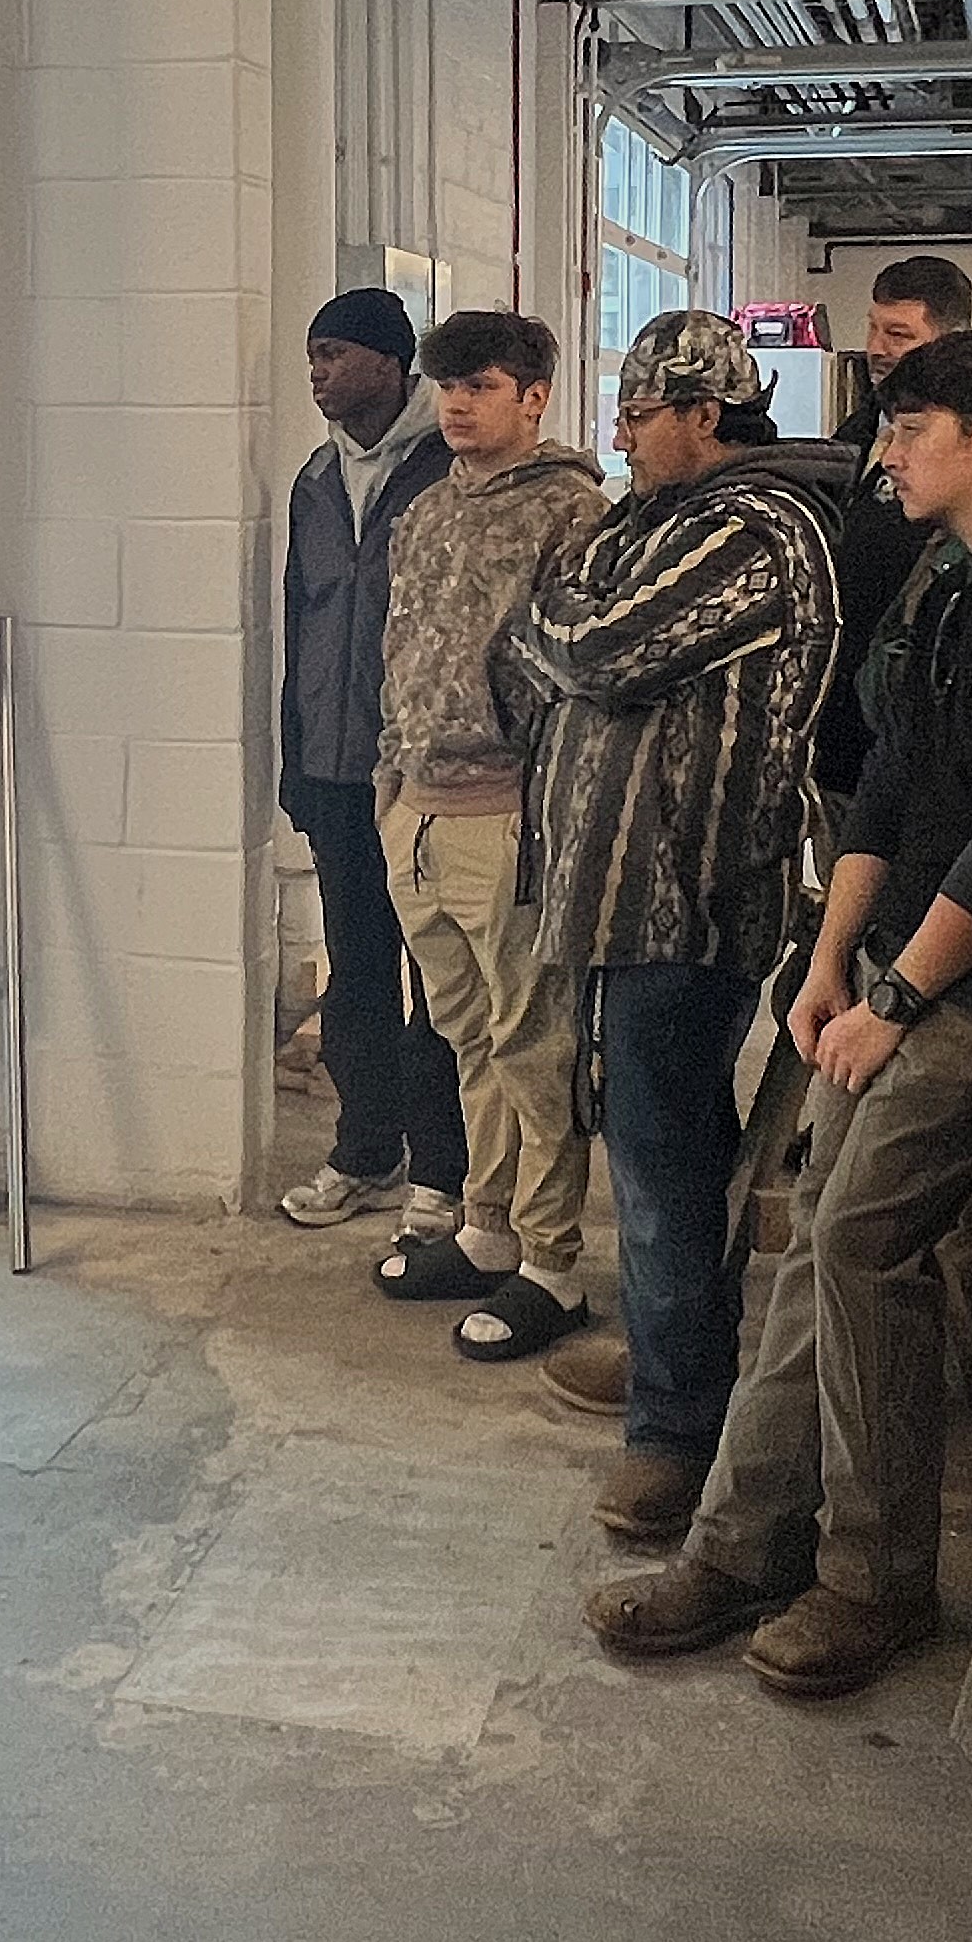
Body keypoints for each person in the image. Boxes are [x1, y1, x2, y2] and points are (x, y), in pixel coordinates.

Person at [584, 331, 972, 1699]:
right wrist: (831, 966)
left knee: (859, 1233)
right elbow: (889, 788)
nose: (882, 452)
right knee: (818, 1249)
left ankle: (874, 1577)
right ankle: (740, 1544)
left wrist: (896, 997)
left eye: (909, 427)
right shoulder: (948, 580)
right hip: (902, 965)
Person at [500, 312, 847, 1546]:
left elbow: (591, 647)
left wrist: (565, 619)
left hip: (685, 903)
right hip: (612, 897)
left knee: (663, 1170)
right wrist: (562, 618)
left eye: (639, 417)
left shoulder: (759, 529)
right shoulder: (644, 523)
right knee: (644, 1150)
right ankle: (668, 1353)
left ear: (706, 415)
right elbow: (530, 640)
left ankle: (677, 1426)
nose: (620, 435)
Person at [368, 311, 606, 1362]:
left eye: (482, 385)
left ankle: (553, 1262)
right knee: (464, 1034)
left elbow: (581, 682)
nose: (458, 403)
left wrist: (545, 810)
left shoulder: (573, 510)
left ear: (534, 396)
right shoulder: (424, 511)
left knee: (532, 1039)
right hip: (416, 808)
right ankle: (485, 1226)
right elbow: (400, 650)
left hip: (508, 812)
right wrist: (390, 784)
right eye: (448, 385)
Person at [277, 288, 465, 1237]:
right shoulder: (317, 477)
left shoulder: (448, 473)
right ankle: (366, 1152)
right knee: (357, 973)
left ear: (393, 366)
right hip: (337, 771)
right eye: (313, 355)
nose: (317, 371)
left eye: (335, 353)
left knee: (440, 980)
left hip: (427, 775)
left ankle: (443, 1174)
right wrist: (296, 761)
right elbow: (298, 626)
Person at [819, 255, 972, 801]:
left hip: (914, 739)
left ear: (946, 342)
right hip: (833, 728)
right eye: (873, 328)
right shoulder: (851, 437)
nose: (877, 348)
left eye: (899, 334)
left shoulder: (965, 466)